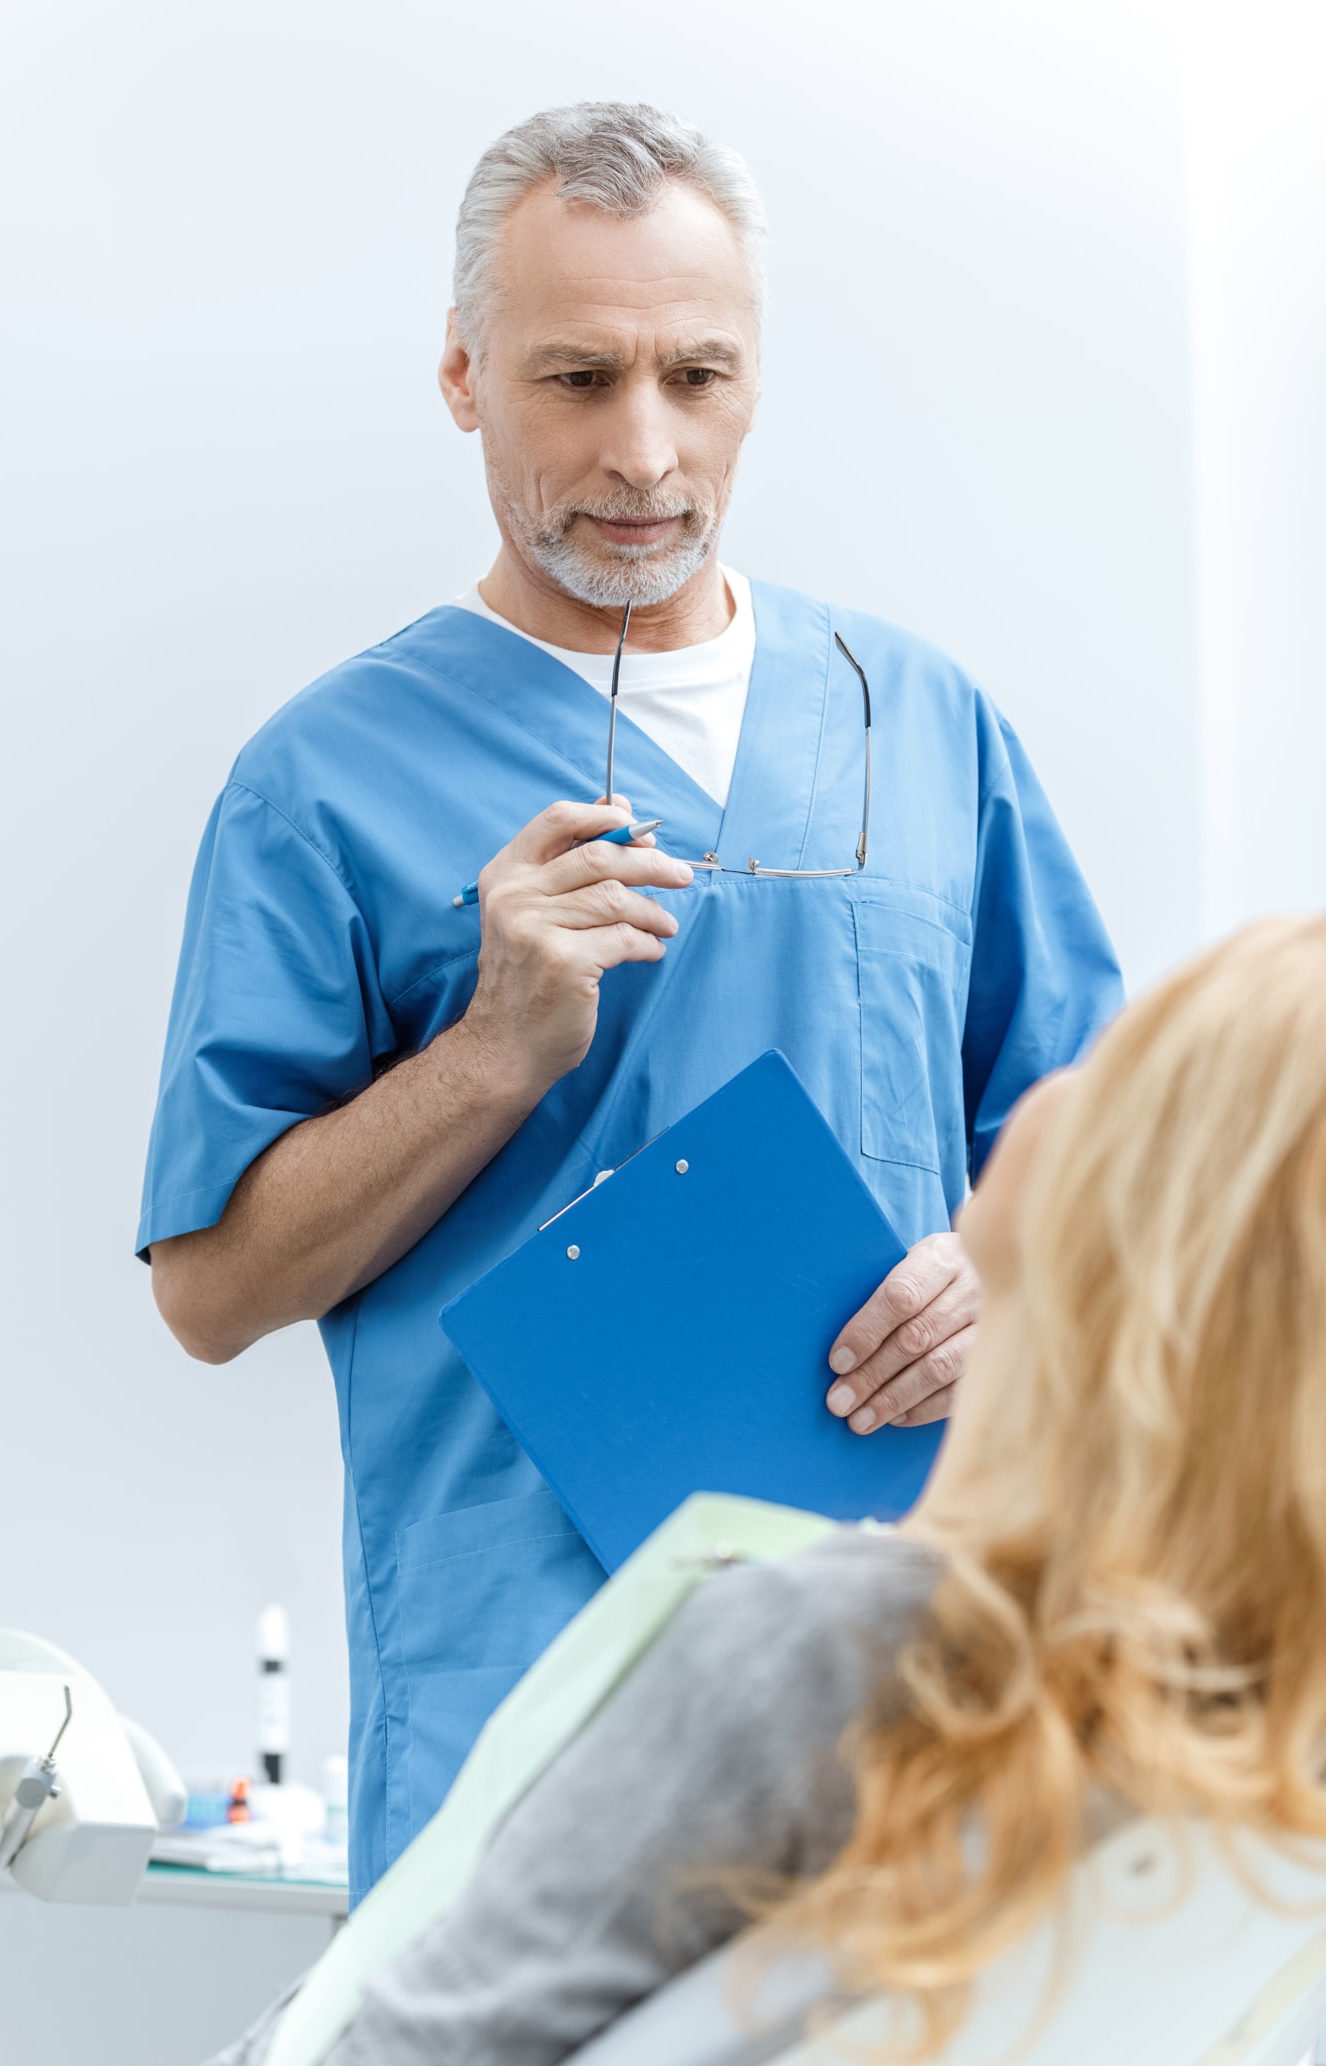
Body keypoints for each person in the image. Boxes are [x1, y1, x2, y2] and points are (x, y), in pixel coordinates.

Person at [0, 914, 1324, 2066]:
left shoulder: (830, 1651)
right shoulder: (1202, 1738)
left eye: (1130, 1069)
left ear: (1165, 1214)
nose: (1052, 1074)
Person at [137, 100, 1122, 1892]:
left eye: (698, 376)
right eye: (578, 379)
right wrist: (492, 1057)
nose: (646, 453)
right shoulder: (326, 779)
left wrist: (1011, 1271)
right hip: (525, 1711)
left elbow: (1116, 1158)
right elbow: (212, 1292)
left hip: (897, 1678)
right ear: (462, 377)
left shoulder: (921, 721)